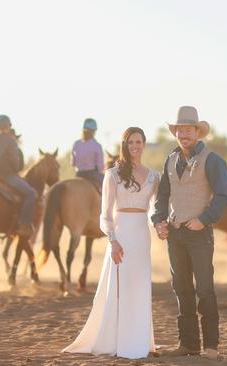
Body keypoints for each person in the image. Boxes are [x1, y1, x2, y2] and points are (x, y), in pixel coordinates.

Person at [63, 127, 159, 359]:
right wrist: (113, 241)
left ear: (144, 144)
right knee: (118, 288)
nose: (135, 146)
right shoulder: (113, 174)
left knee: (139, 287)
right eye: (130, 142)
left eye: (139, 141)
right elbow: (104, 215)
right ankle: (113, 339)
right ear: (124, 145)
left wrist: (159, 225)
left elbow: (154, 210)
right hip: (121, 235)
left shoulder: (155, 176)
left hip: (141, 236)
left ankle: (138, 339)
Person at [151, 106, 227, 360]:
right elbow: (162, 195)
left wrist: (205, 219)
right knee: (181, 288)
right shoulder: (170, 159)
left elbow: (224, 196)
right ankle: (188, 344)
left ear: (197, 131)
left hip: (199, 234)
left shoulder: (213, 160)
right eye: (179, 130)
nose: (183, 133)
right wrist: (159, 221)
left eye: (188, 129)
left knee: (205, 289)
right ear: (175, 133)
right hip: (175, 235)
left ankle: (211, 346)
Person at [0, 114, 36, 237]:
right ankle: (23, 224)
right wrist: (14, 169)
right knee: (31, 193)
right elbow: (15, 163)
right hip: (6, 176)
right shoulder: (10, 140)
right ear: (8, 127)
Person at [72, 118, 105, 191]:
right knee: (106, 185)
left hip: (79, 174)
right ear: (94, 131)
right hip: (92, 175)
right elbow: (100, 167)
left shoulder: (76, 144)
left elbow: (73, 163)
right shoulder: (97, 145)